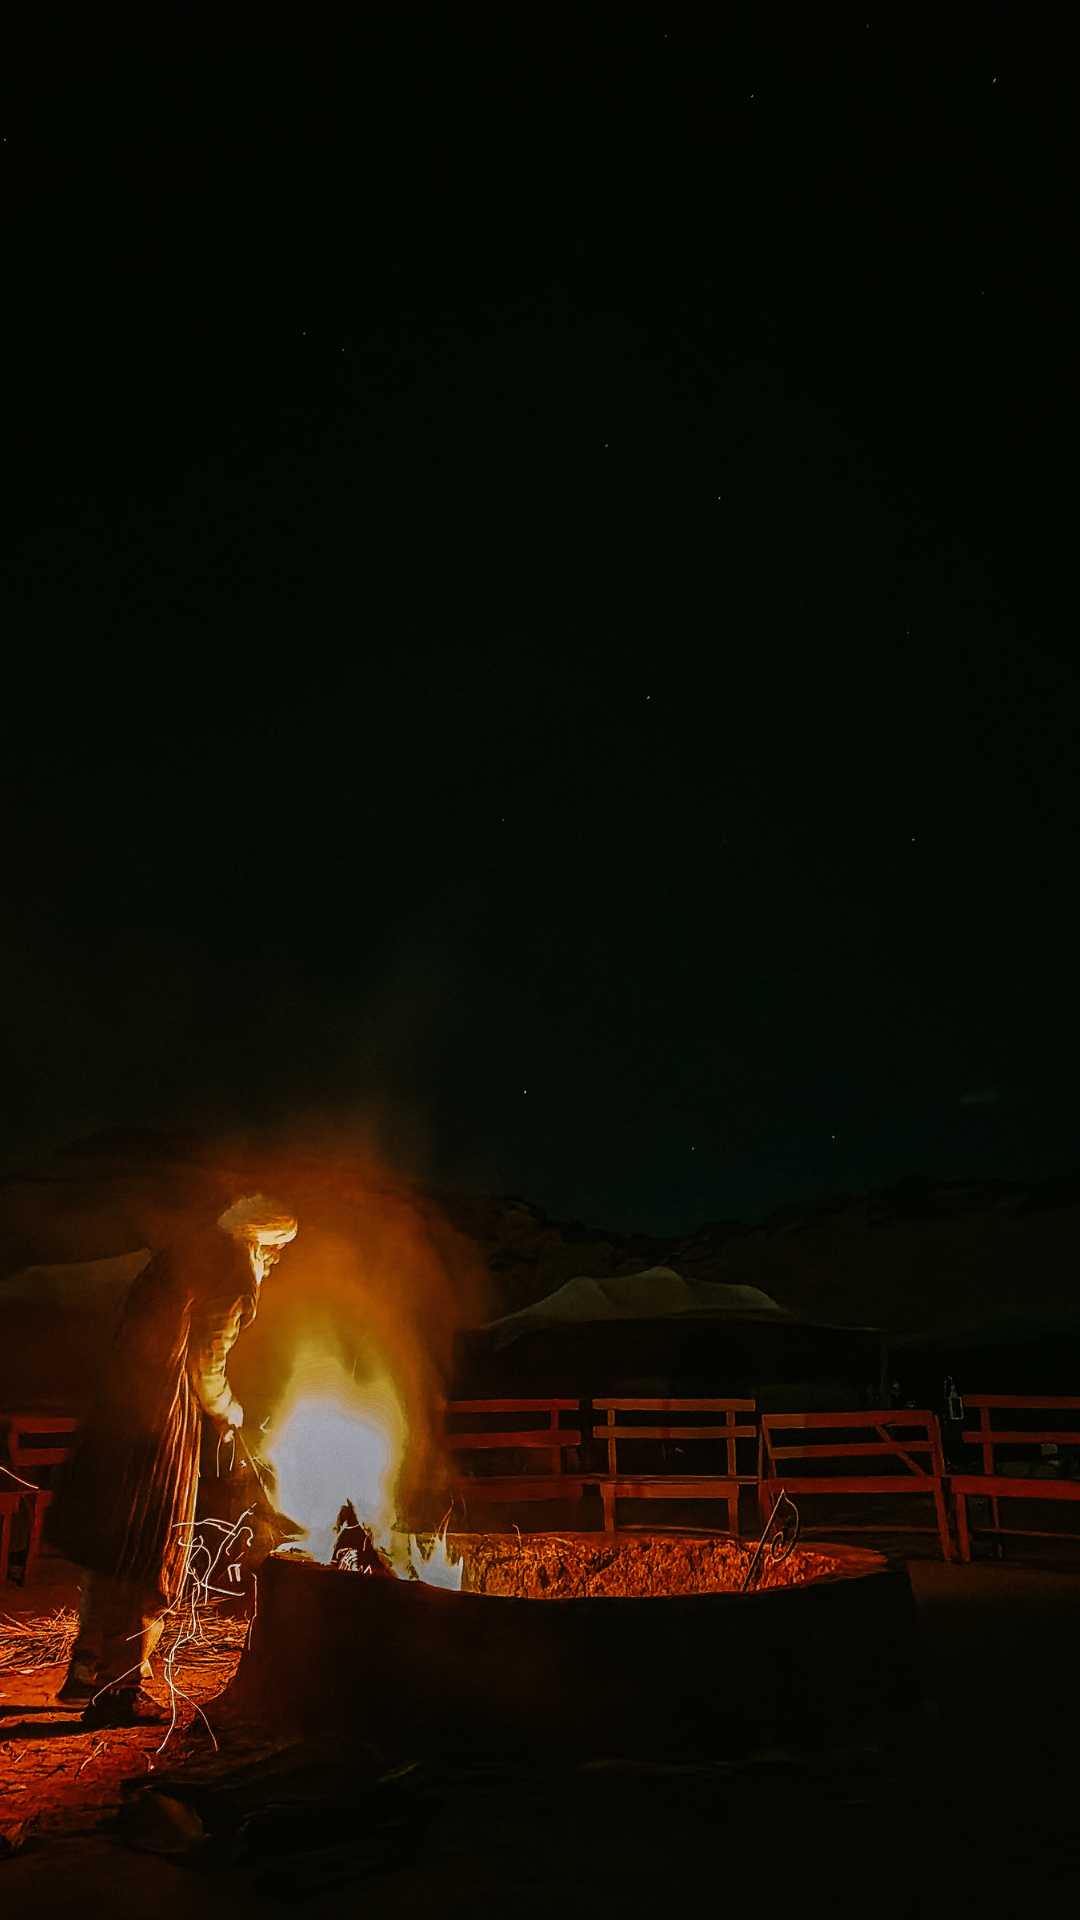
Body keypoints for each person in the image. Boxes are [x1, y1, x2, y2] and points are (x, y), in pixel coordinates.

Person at [48, 1193, 297, 1726]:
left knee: (113, 1546)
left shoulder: (181, 1252)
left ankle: (85, 1670)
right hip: (161, 1421)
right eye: (278, 1250)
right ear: (263, 1240)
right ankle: (120, 1691)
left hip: (120, 1408)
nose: (276, 1262)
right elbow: (209, 1360)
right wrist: (229, 1411)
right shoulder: (232, 1268)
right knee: (153, 1551)